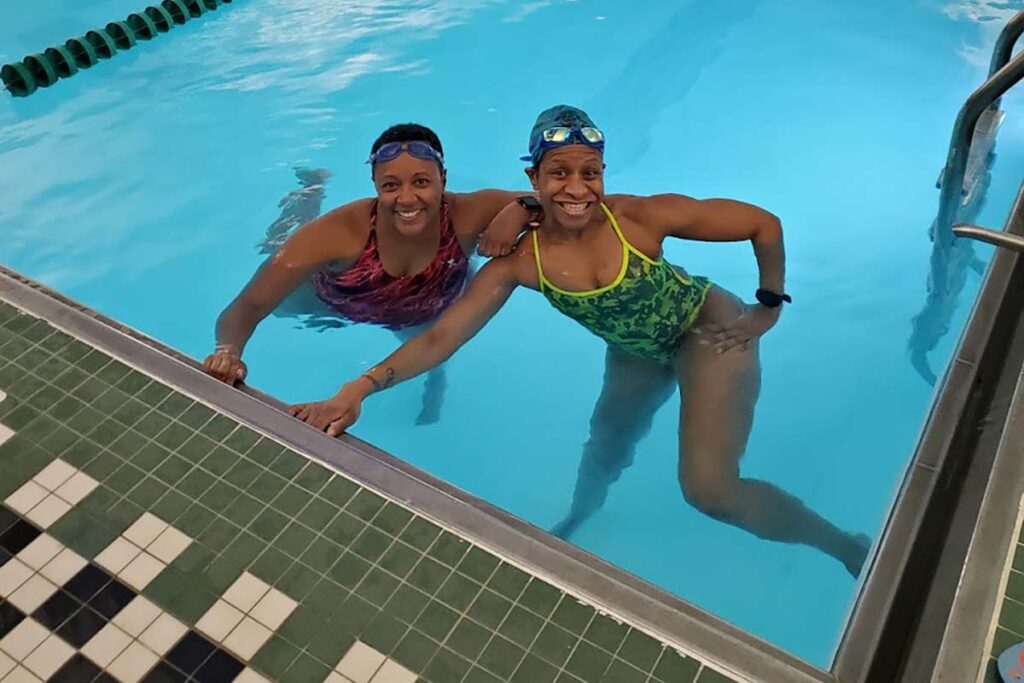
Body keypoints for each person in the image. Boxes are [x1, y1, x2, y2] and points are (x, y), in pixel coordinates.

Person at [290, 106, 870, 576]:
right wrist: (359, 386)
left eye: (589, 172)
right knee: (605, 445)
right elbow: (443, 336)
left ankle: (843, 544)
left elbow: (762, 223)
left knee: (710, 491)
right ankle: (581, 514)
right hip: (636, 352)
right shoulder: (522, 262)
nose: (576, 187)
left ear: (603, 174)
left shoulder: (638, 218)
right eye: (558, 173)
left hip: (709, 331)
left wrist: (767, 306)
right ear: (533, 179)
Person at [203, 123, 529, 424]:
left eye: (421, 182)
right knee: (278, 247)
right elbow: (247, 307)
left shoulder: (470, 215)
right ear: (375, 184)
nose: (406, 198)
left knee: (434, 344)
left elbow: (562, 201)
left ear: (443, 177)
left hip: (422, 307)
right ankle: (310, 191)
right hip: (328, 301)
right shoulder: (339, 232)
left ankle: (435, 378)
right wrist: (228, 352)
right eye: (391, 185)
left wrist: (521, 207)